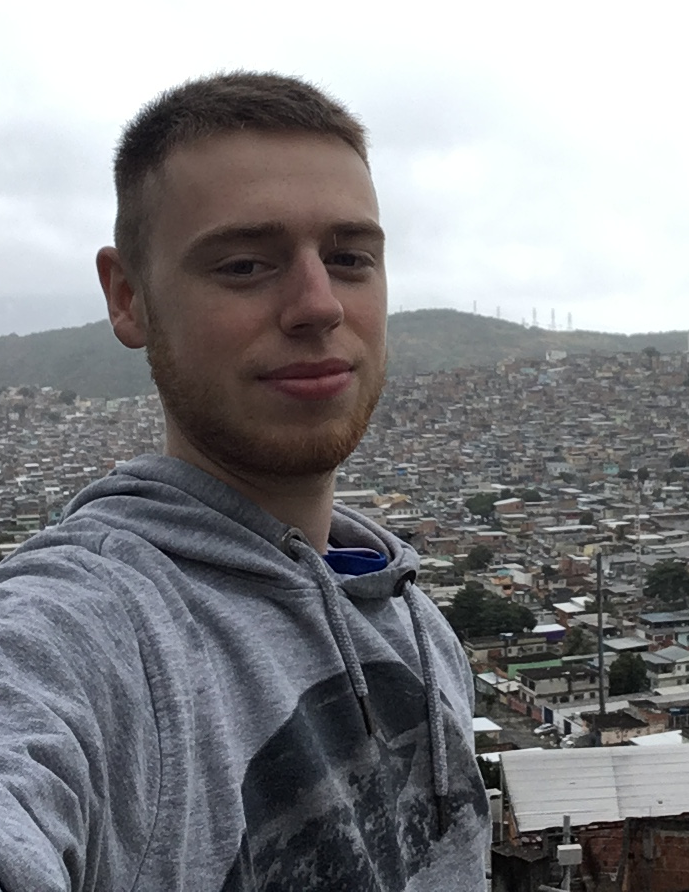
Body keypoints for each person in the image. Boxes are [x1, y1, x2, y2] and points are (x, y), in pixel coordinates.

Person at [0, 72, 489, 891]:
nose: (317, 303)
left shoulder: (419, 627)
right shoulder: (91, 632)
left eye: (349, 257)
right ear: (129, 297)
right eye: (245, 263)